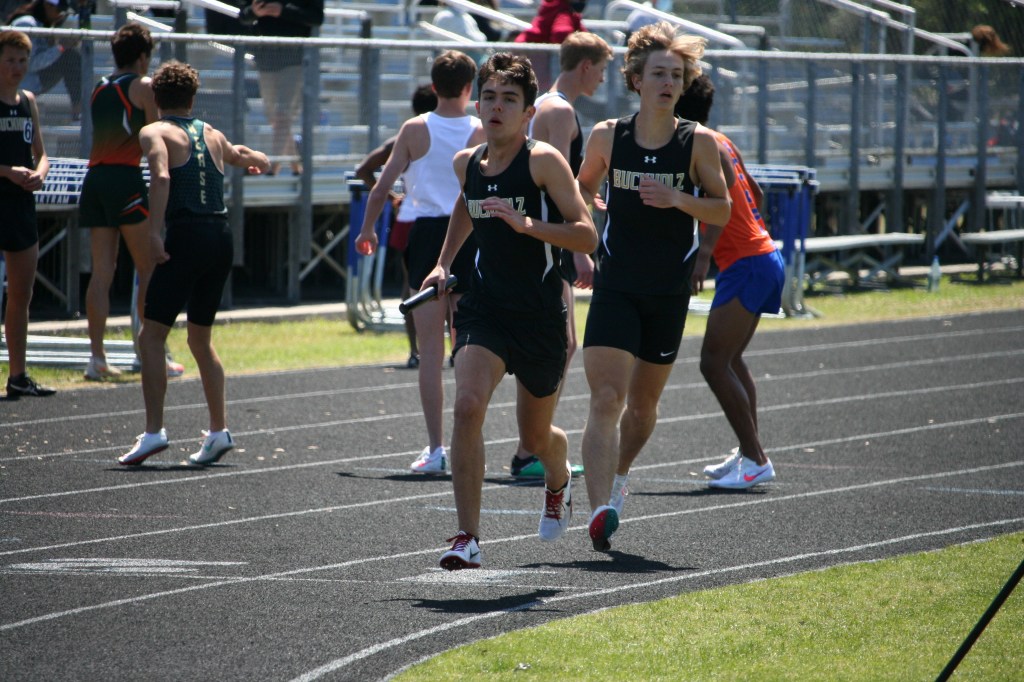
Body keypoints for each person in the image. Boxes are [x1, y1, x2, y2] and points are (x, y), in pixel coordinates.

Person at [428, 51, 598, 569]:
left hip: (540, 316)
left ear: (528, 112)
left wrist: (528, 226)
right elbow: (467, 204)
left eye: (509, 99)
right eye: (489, 97)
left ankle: (558, 479)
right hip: (484, 308)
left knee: (535, 437)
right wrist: (442, 264)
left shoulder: (543, 161)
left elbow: (586, 235)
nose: (497, 106)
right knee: (467, 406)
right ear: (477, 105)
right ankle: (468, 538)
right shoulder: (467, 163)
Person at [575, 22, 732, 551]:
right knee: (606, 397)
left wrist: (678, 199)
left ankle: (618, 478)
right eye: (659, 73)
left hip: (667, 291)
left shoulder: (697, 141)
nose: (668, 83)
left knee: (642, 408)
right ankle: (599, 510)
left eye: (677, 75)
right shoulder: (607, 135)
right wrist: (581, 240)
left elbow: (722, 208)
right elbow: (580, 190)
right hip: (615, 284)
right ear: (637, 80)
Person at [118, 61, 270, 465]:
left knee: (151, 337)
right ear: (193, 98)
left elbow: (161, 177)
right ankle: (219, 431)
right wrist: (260, 159)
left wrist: (154, 234)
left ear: (155, 97)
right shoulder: (212, 133)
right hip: (220, 238)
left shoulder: (154, 131)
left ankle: (154, 432)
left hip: (186, 235)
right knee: (200, 339)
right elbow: (242, 156)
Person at [355, 50, 484, 475]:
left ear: (433, 86)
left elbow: (380, 186)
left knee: (430, 351)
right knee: (468, 346)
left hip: (428, 235)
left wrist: (368, 230)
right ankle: (468, 441)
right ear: (469, 88)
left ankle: (436, 447)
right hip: (469, 233)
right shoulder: (480, 129)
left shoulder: (415, 128)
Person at [509, 30, 611, 479]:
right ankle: (530, 448)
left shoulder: (547, 105)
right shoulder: (561, 110)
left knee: (558, 343)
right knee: (558, 343)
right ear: (585, 66)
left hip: (542, 234)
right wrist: (580, 251)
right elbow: (558, 185)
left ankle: (531, 445)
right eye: (601, 71)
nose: (602, 80)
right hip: (552, 239)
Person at [676, 74, 782, 488]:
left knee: (713, 362)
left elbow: (724, 203)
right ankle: (748, 451)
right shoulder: (721, 140)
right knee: (731, 360)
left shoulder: (698, 143)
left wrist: (705, 255)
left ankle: (756, 458)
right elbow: (755, 194)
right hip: (760, 256)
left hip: (748, 262)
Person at [78, 23, 184, 382]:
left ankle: (97, 357)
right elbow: (158, 135)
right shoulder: (143, 86)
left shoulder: (99, 86)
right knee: (149, 268)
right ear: (142, 56)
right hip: (125, 179)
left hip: (95, 179)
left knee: (101, 273)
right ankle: (150, 354)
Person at [354, 83, 437, 370]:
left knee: (411, 285)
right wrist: (392, 197)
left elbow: (363, 170)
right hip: (444, 216)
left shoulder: (405, 137)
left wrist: (392, 199)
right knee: (453, 283)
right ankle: (454, 349)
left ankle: (415, 351)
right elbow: (364, 171)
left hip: (410, 218)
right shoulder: (459, 132)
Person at [0, 29, 56, 399]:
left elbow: (42, 153)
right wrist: (7, 171)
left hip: (20, 206)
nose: (17, 67)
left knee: (22, 293)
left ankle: (18, 375)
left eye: (22, 60)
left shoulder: (29, 101)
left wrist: (40, 173)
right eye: (10, 60)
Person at [239, 0, 323, 176]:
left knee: (283, 116)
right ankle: (296, 165)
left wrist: (282, 11)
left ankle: (272, 167)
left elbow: (316, 17)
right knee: (274, 118)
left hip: (295, 60)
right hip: (265, 60)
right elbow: (243, 15)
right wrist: (255, 12)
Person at [7, 0, 81, 120]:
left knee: (72, 55)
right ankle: (78, 109)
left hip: (33, 80)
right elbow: (28, 64)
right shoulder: (26, 24)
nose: (60, 16)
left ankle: (78, 108)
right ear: (47, 5)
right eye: (59, 10)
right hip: (21, 81)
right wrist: (60, 47)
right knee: (70, 56)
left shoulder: (41, 24)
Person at [514, 0, 588, 90]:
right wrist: (578, 45)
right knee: (535, 89)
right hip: (532, 52)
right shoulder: (562, 10)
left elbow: (585, 35)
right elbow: (560, 34)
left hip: (529, 51)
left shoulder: (563, 9)